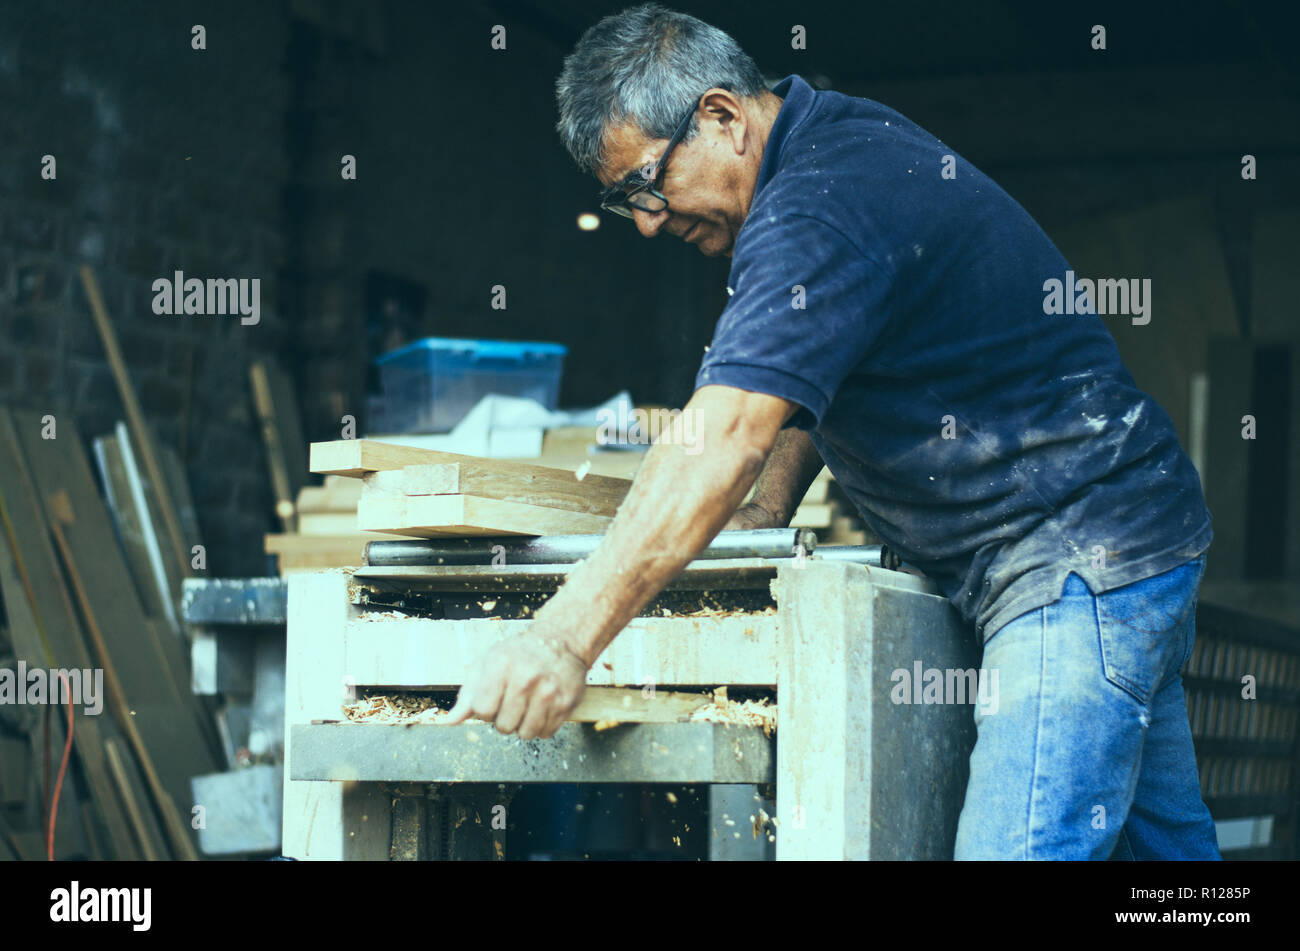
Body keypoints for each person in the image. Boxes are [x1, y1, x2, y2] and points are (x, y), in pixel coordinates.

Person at [447, 3, 1219, 860]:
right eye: (624, 200)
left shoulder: (814, 209)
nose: (648, 220)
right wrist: (767, 504)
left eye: (645, 184)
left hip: (1073, 559)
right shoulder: (827, 148)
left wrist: (562, 639)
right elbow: (809, 382)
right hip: (1128, 541)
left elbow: (730, 427)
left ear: (721, 117)